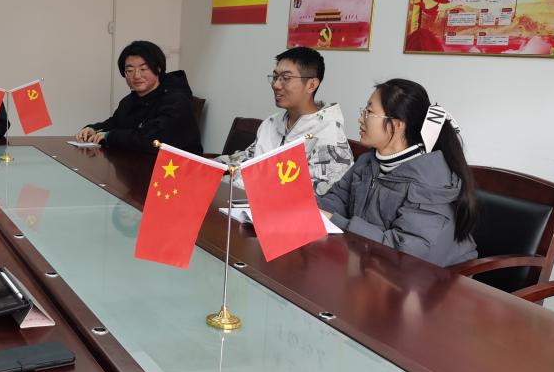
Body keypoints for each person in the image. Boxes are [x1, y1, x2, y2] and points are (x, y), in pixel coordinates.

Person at [317, 78, 477, 267]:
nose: (361, 118)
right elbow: (337, 201)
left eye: (369, 112)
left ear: (398, 124)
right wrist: (303, 204)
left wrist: (333, 220)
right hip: (372, 265)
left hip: (434, 278)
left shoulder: (431, 180)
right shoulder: (367, 162)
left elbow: (403, 251)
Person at [218, 47, 353, 195]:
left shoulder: (329, 136)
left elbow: (317, 195)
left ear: (311, 85)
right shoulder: (271, 124)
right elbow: (247, 163)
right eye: (275, 77)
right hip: (240, 201)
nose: (276, 85)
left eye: (286, 78)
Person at [75, 40, 202, 154]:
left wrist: (110, 136)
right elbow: (115, 123)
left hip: (174, 169)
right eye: (130, 71)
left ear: (158, 69)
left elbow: (152, 140)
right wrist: (94, 129)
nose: (136, 76)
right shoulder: (129, 100)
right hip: (137, 163)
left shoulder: (176, 100)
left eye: (143, 69)